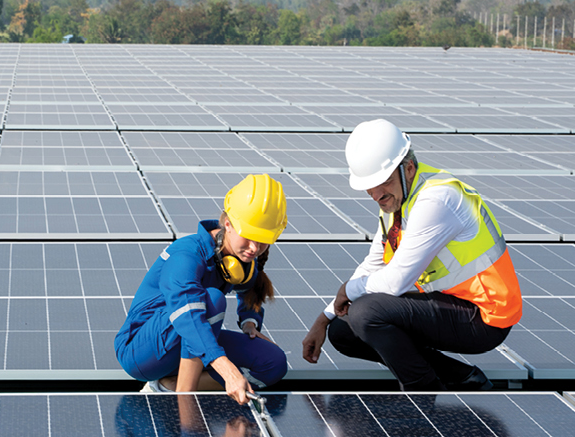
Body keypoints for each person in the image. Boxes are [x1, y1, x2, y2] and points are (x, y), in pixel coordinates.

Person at [299, 119, 523, 391]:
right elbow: (375, 262)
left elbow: (395, 282)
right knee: (343, 331)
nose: (376, 194)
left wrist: (347, 289)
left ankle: (422, 391)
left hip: (484, 315)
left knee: (366, 313)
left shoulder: (437, 200)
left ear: (408, 168)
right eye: (369, 187)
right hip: (447, 305)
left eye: (383, 183)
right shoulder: (396, 199)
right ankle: (460, 375)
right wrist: (325, 318)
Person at [115, 174, 289, 404]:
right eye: (249, 237)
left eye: (263, 240)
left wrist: (249, 323)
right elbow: (188, 316)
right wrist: (226, 368)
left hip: (191, 340)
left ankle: (167, 385)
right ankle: (184, 406)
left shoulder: (242, 259)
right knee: (212, 299)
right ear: (227, 224)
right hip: (142, 351)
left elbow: (249, 290)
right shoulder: (186, 255)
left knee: (273, 363)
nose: (254, 248)